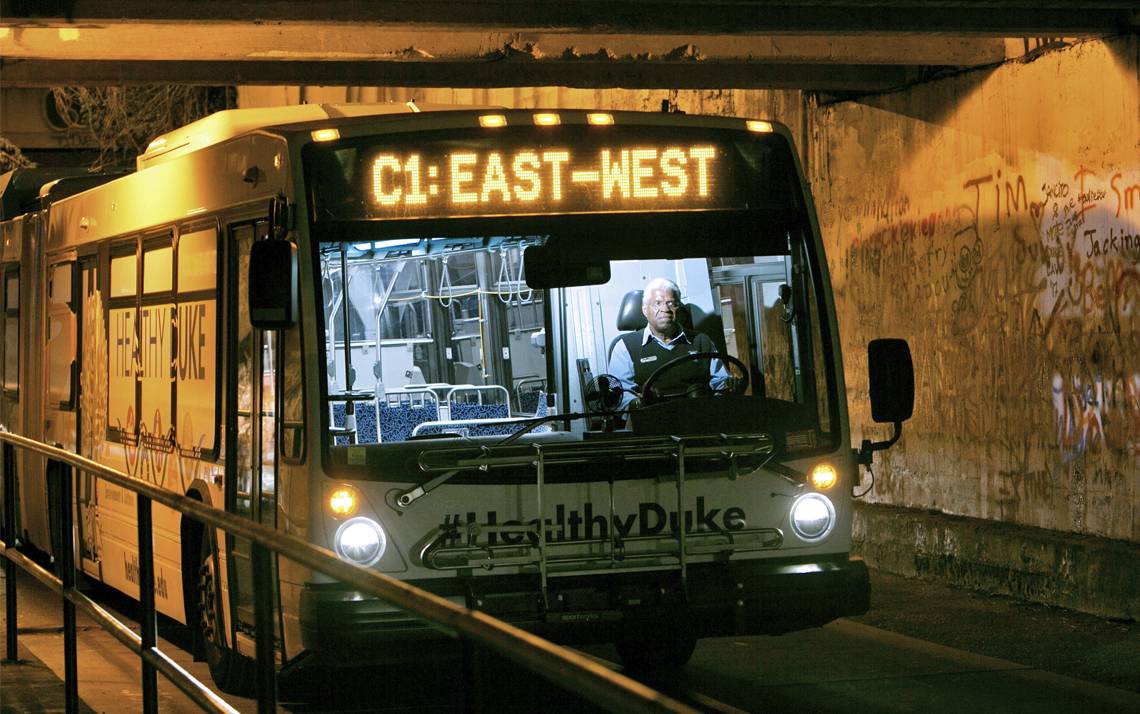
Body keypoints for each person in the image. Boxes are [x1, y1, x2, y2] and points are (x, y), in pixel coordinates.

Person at [607, 277, 728, 409]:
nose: (665, 309)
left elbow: (721, 383)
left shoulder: (701, 341)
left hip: (699, 416)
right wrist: (637, 404)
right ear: (644, 309)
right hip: (651, 420)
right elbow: (620, 394)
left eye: (671, 303)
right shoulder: (624, 346)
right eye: (657, 303)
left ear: (679, 308)